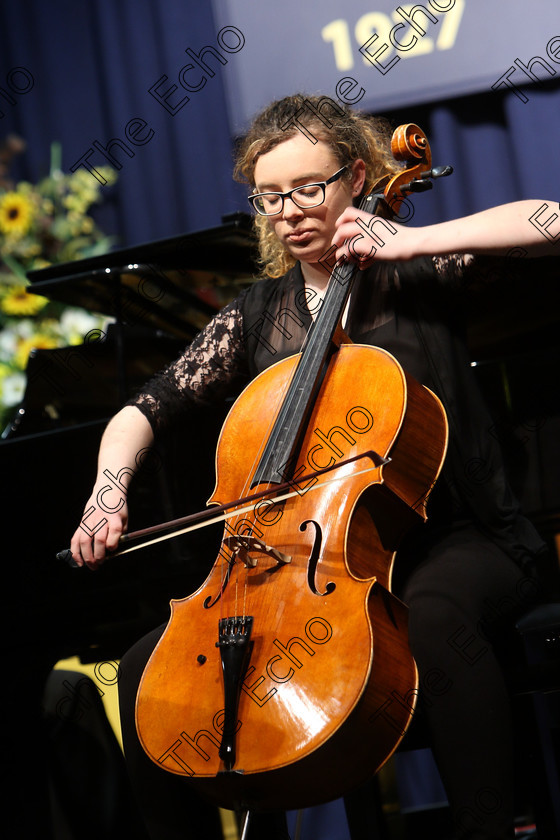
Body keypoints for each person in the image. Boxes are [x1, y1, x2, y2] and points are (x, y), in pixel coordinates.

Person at [70, 94, 556, 840]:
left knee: (429, 621)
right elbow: (143, 411)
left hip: (460, 535)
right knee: (144, 670)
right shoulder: (259, 314)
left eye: (309, 188)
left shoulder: (419, 275)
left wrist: (413, 242)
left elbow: (551, 222)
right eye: (271, 197)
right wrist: (107, 495)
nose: (289, 211)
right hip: (306, 558)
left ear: (357, 176)